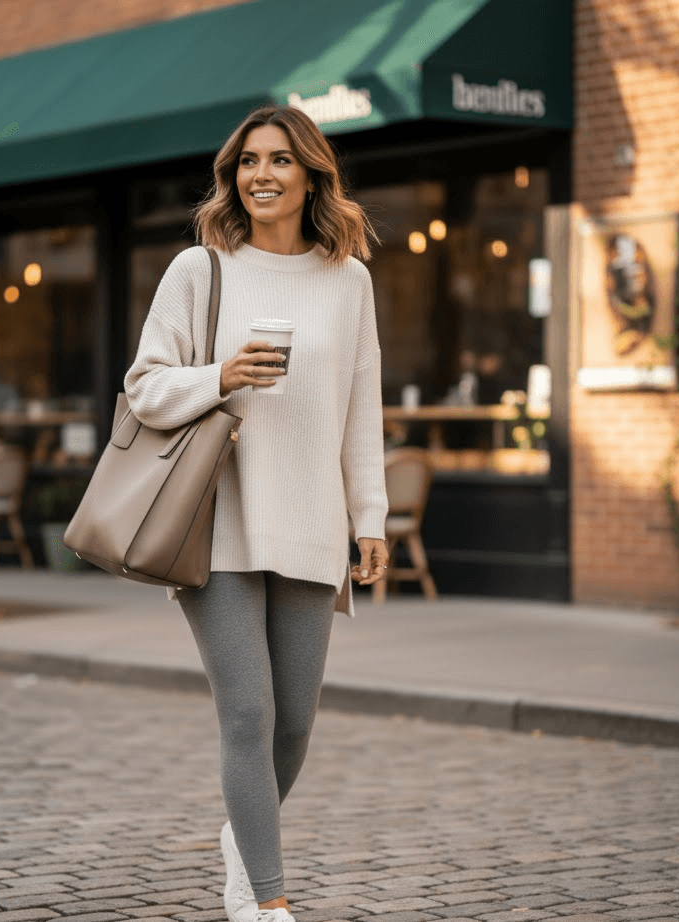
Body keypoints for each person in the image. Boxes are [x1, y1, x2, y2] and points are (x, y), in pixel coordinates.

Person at [124, 104, 389, 922]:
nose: (261, 174)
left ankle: (245, 839)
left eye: (279, 160)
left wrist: (370, 516)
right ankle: (267, 903)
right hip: (219, 523)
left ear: (312, 173)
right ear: (231, 175)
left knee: (296, 722)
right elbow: (143, 385)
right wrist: (221, 376)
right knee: (248, 712)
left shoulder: (349, 281)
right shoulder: (200, 271)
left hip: (310, 520)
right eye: (247, 161)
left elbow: (361, 408)